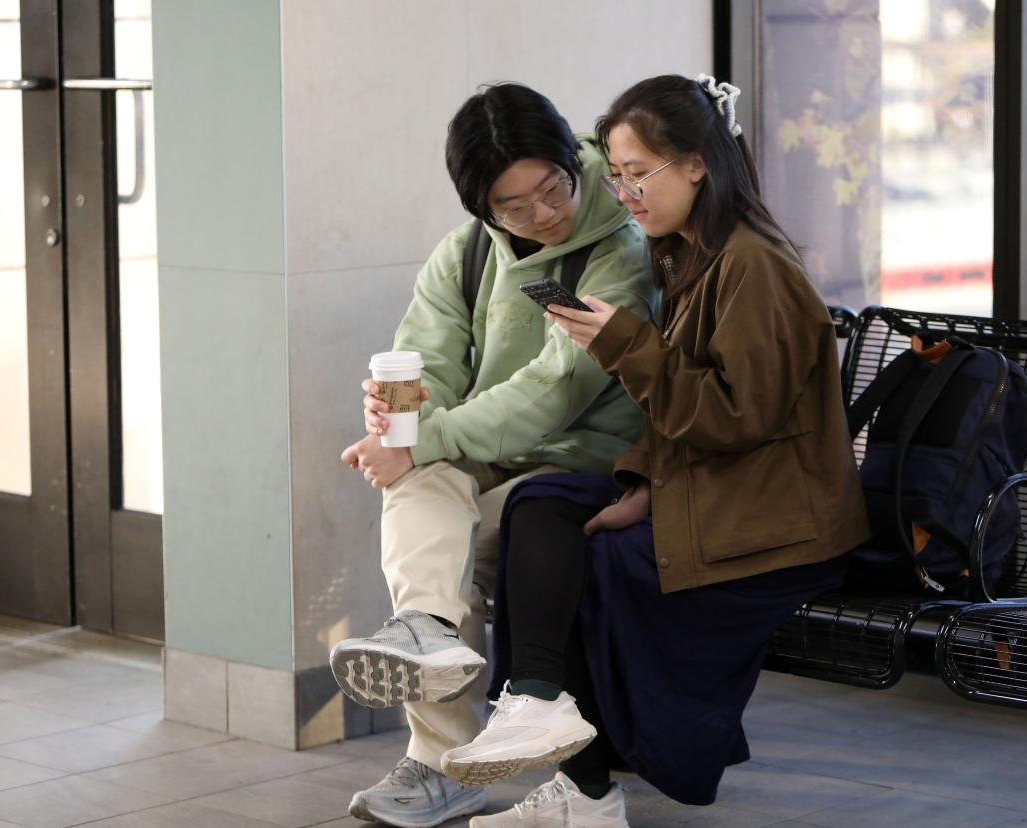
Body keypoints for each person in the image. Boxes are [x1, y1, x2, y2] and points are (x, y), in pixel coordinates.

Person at [439, 74, 870, 826]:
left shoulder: (753, 267)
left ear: (697, 164)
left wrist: (622, 342)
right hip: (718, 492)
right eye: (617, 175)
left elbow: (734, 420)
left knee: (587, 562)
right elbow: (685, 422)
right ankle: (541, 710)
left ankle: (585, 788)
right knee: (541, 505)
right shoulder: (691, 253)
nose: (627, 193)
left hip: (774, 525)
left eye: (640, 174)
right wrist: (640, 480)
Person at [332, 83, 658, 828]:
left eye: (553, 188)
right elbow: (429, 360)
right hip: (493, 457)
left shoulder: (621, 252)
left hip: (580, 466)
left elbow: (555, 393)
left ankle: (438, 740)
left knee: (436, 510)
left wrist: (420, 442)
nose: (546, 215)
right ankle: (428, 637)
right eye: (516, 207)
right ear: (483, 208)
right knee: (418, 492)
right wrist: (398, 420)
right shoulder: (468, 251)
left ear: (572, 163)